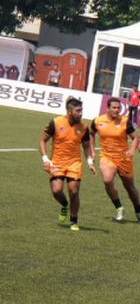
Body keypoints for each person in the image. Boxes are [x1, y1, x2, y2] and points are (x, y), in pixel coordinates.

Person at [39, 97, 95, 231]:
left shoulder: (84, 127)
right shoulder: (56, 122)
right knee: (57, 190)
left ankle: (74, 221)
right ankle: (64, 205)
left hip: (74, 163)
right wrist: (46, 160)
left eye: (81, 110)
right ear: (70, 111)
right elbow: (42, 141)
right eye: (78, 111)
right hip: (57, 162)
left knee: (74, 191)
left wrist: (89, 161)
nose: (81, 113)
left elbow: (87, 146)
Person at [91, 97, 140, 224]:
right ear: (108, 108)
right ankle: (119, 207)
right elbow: (91, 133)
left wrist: (132, 150)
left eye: (118, 108)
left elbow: (135, 138)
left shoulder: (125, 121)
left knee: (130, 187)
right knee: (107, 179)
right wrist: (93, 150)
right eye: (114, 108)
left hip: (124, 158)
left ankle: (139, 213)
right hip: (107, 156)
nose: (117, 110)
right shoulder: (98, 121)